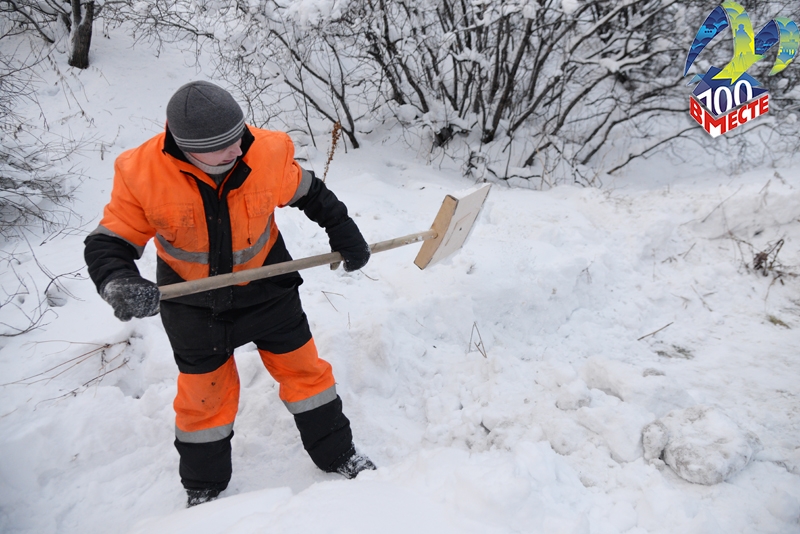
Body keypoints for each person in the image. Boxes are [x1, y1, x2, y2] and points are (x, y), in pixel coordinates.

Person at [84, 80, 376, 507]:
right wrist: (117, 280)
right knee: (205, 399)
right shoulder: (141, 172)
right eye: (222, 146)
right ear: (187, 148)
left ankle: (338, 454)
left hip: (268, 287)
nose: (237, 150)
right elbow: (110, 241)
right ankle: (204, 488)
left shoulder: (265, 151)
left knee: (306, 374)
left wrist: (344, 231)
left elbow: (311, 193)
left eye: (238, 137)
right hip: (193, 303)